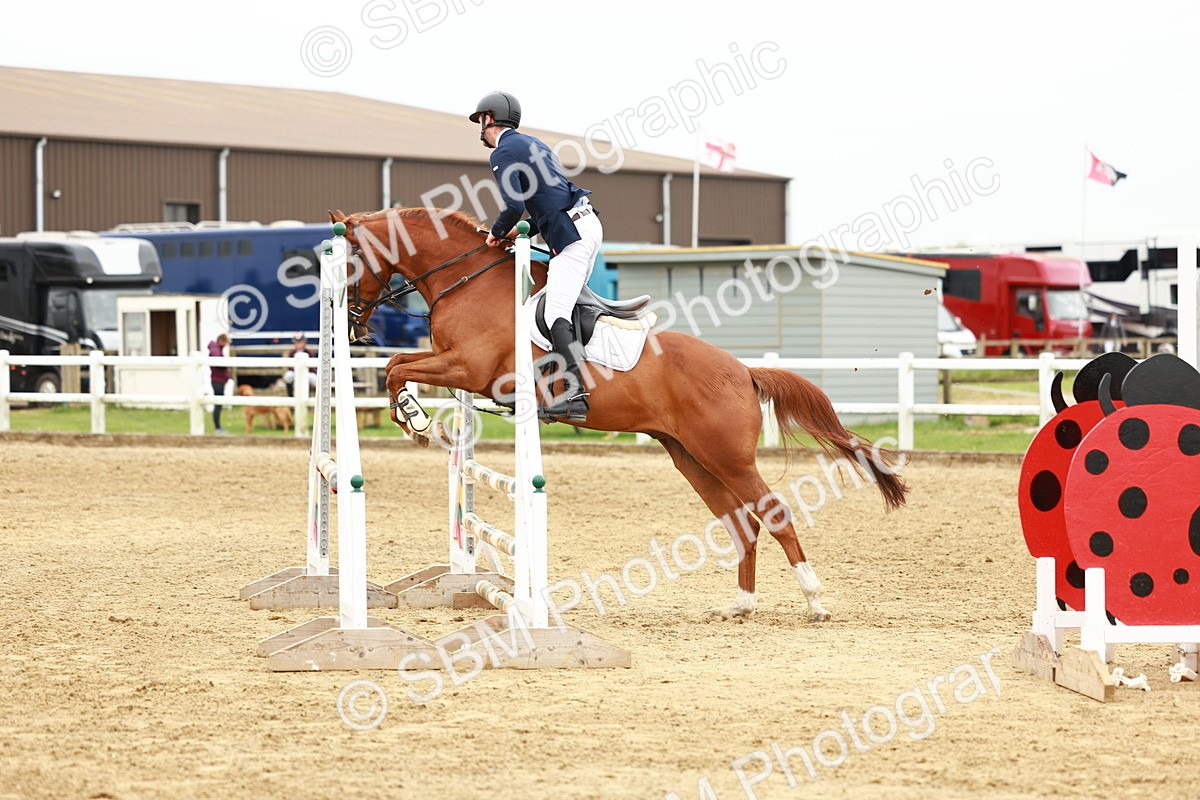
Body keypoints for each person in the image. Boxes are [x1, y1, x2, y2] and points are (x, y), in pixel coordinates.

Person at [470, 90, 602, 422]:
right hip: (585, 224)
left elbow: (513, 205)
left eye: (480, 121)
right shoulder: (534, 144)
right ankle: (532, 387)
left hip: (572, 235)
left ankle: (576, 395)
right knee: (550, 307)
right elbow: (550, 199)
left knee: (555, 310)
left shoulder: (502, 151)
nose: (480, 129)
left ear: (489, 118)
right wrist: (523, 228)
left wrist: (497, 232)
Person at [207, 333, 231, 434]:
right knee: (218, 404)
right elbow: (218, 362)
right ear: (221, 340)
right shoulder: (216, 349)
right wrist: (226, 365)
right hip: (218, 380)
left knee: (218, 403)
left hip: (219, 380)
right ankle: (217, 427)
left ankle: (218, 427)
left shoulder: (216, 349)